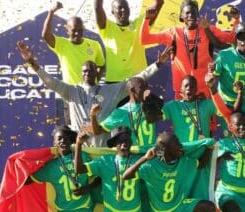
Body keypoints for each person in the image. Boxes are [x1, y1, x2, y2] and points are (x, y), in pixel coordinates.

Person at [16, 40, 169, 147]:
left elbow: (135, 81)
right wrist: (33, 63)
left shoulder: (110, 90)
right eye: (84, 71)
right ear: (81, 74)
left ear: (97, 73)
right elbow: (50, 82)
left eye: (91, 70)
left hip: (104, 150)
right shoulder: (71, 91)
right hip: (81, 149)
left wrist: (158, 64)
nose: (87, 73)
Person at [122, 132, 217, 212]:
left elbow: (201, 164)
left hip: (180, 207)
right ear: (164, 148)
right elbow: (126, 176)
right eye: (176, 144)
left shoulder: (184, 161)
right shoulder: (150, 166)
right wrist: (144, 158)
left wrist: (209, 148)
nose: (181, 146)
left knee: (209, 207)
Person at [74, 127, 149, 212]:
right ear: (114, 144)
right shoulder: (105, 161)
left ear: (131, 142)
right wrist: (79, 144)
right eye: (119, 141)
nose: (123, 144)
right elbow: (79, 169)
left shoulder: (139, 160)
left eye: (126, 140)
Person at [27, 126, 100, 212]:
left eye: (66, 138)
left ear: (71, 141)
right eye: (59, 139)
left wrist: (87, 188)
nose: (62, 141)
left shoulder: (82, 156)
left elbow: (99, 177)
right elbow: (29, 179)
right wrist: (15, 171)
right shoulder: (51, 166)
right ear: (54, 143)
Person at [140, 0, 239, 99]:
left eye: (193, 12)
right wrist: (147, 19)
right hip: (182, 91)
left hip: (204, 89)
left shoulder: (207, 29)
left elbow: (232, 38)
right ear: (181, 16)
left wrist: (236, 20)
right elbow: (145, 39)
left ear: (197, 14)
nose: (191, 15)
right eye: (187, 13)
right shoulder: (174, 33)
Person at [94, 0, 163, 82]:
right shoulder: (107, 28)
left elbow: (159, 2)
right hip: (114, 82)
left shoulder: (139, 24)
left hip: (138, 80)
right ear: (112, 12)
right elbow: (97, 7)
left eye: (125, 7)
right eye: (119, 8)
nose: (123, 10)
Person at [41, 1, 105, 84]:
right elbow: (46, 35)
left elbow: (101, 65)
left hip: (90, 90)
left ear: (83, 29)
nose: (77, 33)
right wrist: (51, 12)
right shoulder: (61, 44)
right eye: (74, 30)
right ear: (67, 29)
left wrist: (95, 82)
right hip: (70, 90)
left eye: (80, 30)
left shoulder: (95, 44)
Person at [90, 78, 162, 148]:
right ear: (133, 90)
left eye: (146, 86)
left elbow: (162, 110)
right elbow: (97, 131)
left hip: (150, 153)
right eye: (142, 87)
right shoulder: (120, 112)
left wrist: (151, 99)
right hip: (133, 154)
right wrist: (92, 115)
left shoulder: (151, 105)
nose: (146, 89)